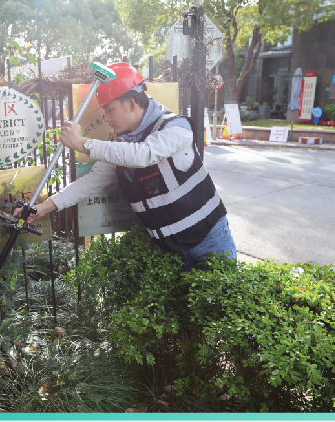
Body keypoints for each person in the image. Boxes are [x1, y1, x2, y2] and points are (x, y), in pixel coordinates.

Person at [22, 62, 236, 271]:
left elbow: (144, 154)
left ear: (132, 104)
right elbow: (90, 182)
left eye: (110, 110)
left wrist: (82, 144)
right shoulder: (122, 142)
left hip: (209, 241)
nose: (106, 118)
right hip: (170, 250)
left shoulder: (176, 127)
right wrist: (43, 207)